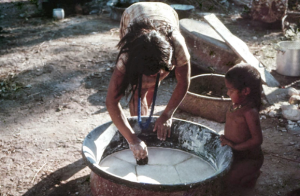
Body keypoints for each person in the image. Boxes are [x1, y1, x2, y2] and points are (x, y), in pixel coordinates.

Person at [106, 2, 190, 161]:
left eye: (156, 73)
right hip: (134, 12)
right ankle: (140, 129)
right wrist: (133, 140)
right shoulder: (127, 56)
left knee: (151, 85)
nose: (151, 78)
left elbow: (183, 82)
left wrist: (167, 114)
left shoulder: (177, 46)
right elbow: (111, 101)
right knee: (139, 90)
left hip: (167, 13)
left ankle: (145, 121)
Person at [220, 64, 264, 188]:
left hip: (249, 157)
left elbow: (257, 140)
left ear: (245, 91)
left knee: (228, 183)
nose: (228, 93)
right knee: (216, 176)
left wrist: (236, 146)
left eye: (231, 90)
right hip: (233, 151)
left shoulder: (250, 112)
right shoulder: (235, 104)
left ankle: (253, 174)